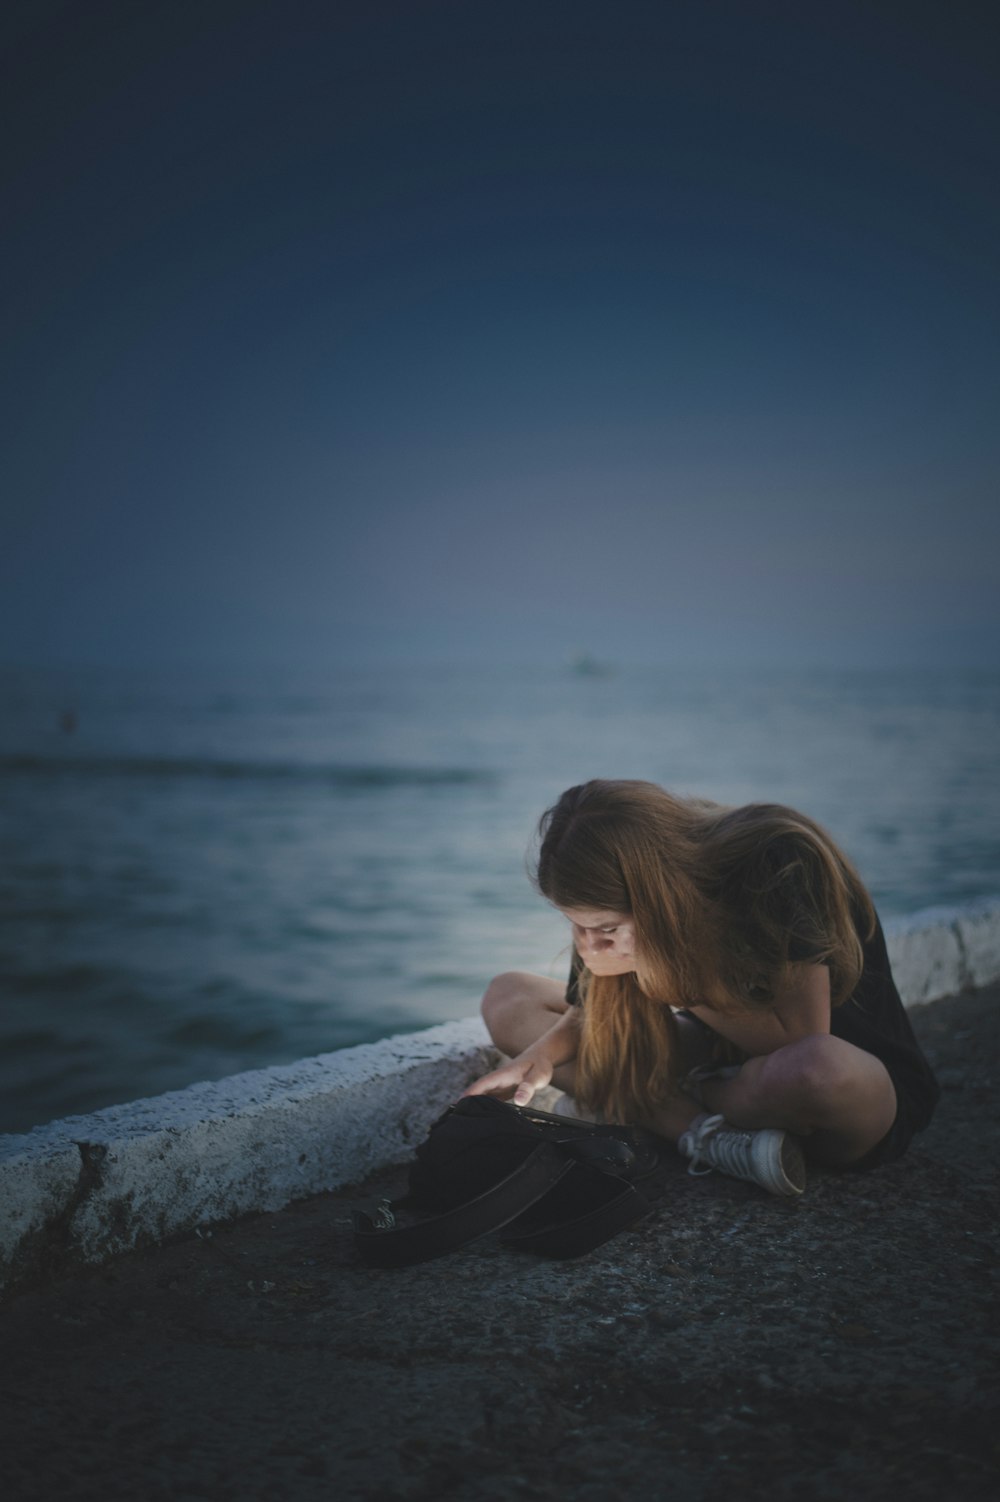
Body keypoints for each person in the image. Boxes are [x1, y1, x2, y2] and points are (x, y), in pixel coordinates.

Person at [464, 780, 940, 1197]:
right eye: (575, 924)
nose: (590, 943)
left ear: (655, 895)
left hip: (845, 1095)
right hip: (717, 1060)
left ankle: (657, 1107)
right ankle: (704, 1137)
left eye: (605, 928)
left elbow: (800, 1042)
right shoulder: (610, 909)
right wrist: (539, 1060)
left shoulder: (783, 859)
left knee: (820, 1068)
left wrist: (657, 968)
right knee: (509, 997)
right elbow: (591, 1010)